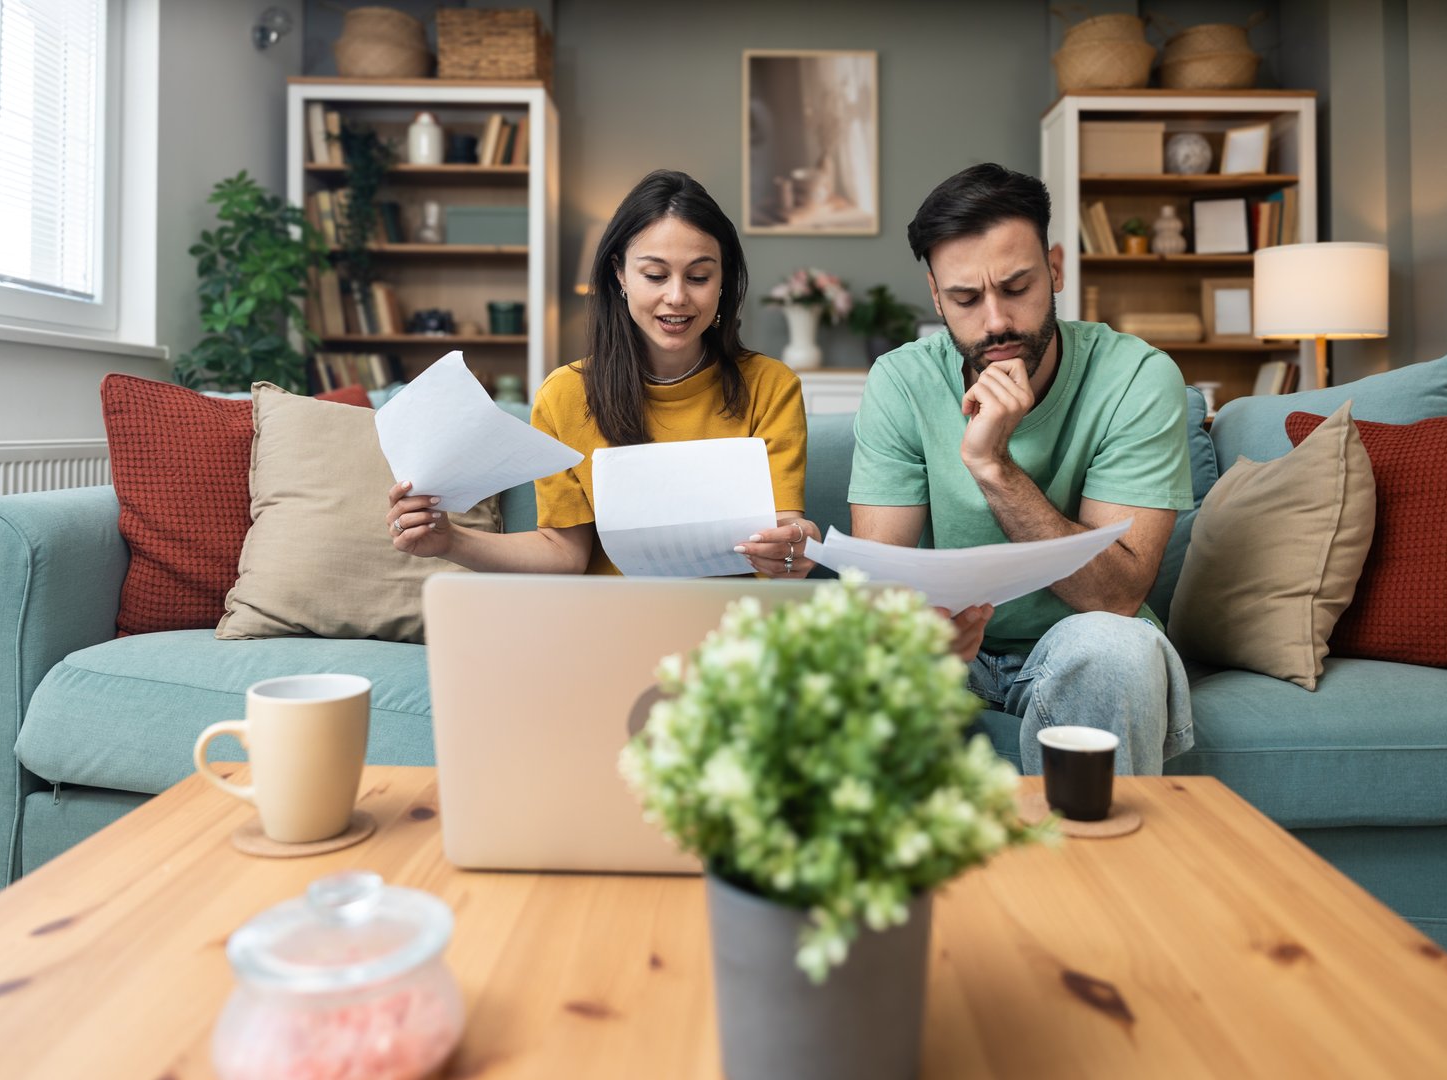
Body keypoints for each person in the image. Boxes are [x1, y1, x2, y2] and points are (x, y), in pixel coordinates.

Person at [849, 163, 1194, 775]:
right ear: (935, 296)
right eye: (964, 298)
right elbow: (881, 588)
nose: (997, 323)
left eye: (1016, 288)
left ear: (1055, 268)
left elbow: (1115, 596)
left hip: (1082, 642)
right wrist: (924, 637)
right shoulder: (901, 381)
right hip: (949, 652)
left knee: (1117, 649)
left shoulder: (1136, 377)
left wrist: (994, 466)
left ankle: (1097, 872)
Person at [387, 169, 819, 577]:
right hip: (610, 621)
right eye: (655, 274)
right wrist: (449, 540)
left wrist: (796, 546)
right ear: (620, 276)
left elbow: (785, 529)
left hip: (730, 630)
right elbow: (563, 552)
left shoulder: (770, 386)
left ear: (723, 280)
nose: (677, 296)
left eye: (699, 276)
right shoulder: (566, 395)